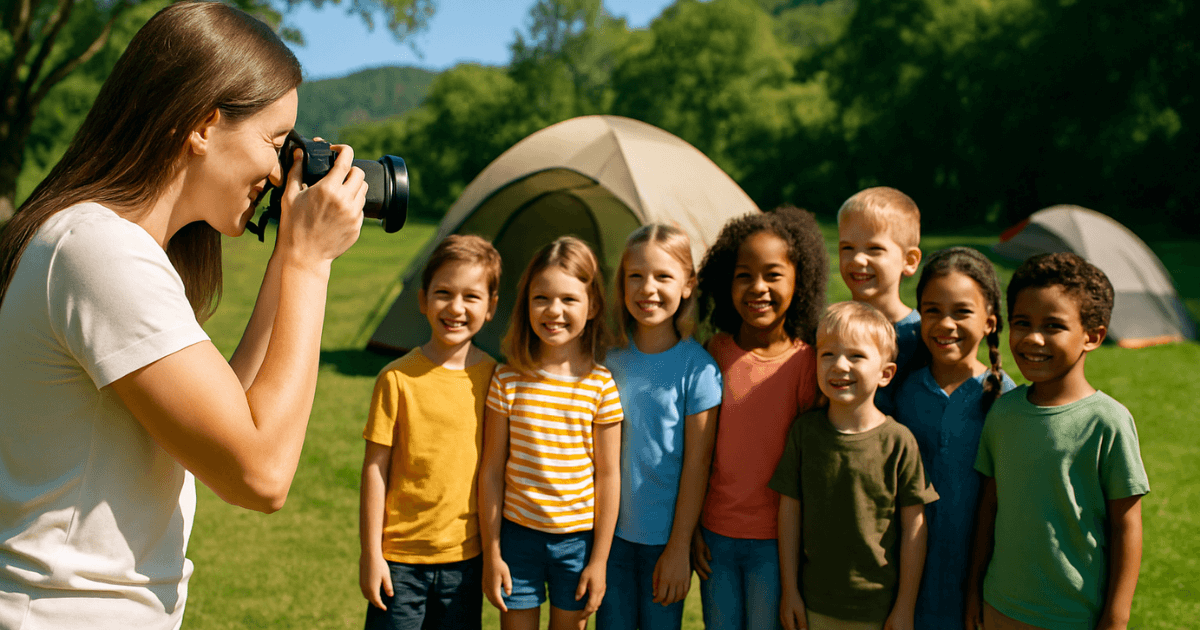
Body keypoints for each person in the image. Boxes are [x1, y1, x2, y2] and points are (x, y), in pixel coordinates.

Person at [0, 3, 367, 628]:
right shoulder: (98, 251)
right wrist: (310, 266)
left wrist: (289, 254)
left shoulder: (106, 245)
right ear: (202, 124)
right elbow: (261, 473)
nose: (281, 172)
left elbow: (234, 415)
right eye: (276, 144)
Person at [966, 253, 1150, 630]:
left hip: (1073, 618)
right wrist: (973, 591)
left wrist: (1116, 617)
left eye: (1053, 326)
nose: (1033, 338)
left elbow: (1127, 527)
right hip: (1000, 607)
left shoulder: (1108, 422)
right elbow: (989, 507)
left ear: (1093, 336)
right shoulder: (1002, 412)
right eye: (1022, 323)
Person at [692, 206, 828, 630]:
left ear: (799, 281)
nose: (758, 288)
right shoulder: (712, 354)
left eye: (773, 274)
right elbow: (696, 455)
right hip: (715, 539)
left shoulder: (808, 365)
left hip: (777, 545)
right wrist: (693, 528)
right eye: (743, 275)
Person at [478, 236, 623, 630]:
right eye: (541, 298)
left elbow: (608, 478)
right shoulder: (507, 379)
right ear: (526, 304)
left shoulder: (601, 386)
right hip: (516, 540)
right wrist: (493, 552)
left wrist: (599, 560)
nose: (553, 311)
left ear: (592, 306)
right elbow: (491, 470)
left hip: (577, 545)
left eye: (569, 300)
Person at [358, 235, 502, 630]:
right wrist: (371, 553)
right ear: (423, 301)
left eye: (471, 297)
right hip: (399, 562)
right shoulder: (396, 378)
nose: (456, 307)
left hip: (465, 563)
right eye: (443, 293)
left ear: (490, 307)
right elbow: (375, 471)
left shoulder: (494, 379)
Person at [771, 301, 939, 630]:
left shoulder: (899, 441)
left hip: (878, 608)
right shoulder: (805, 433)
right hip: (813, 604)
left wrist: (904, 606)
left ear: (886, 373)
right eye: (827, 354)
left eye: (856, 356)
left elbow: (914, 530)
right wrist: (790, 591)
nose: (839, 366)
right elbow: (789, 514)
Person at [596, 225, 723, 630]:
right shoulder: (606, 359)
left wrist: (678, 547)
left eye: (663, 276)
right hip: (607, 539)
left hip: (664, 543)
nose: (647, 288)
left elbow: (697, 465)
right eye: (636, 276)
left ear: (688, 285)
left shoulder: (698, 369)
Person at [893, 247, 1016, 628]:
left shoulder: (1006, 399)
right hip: (903, 579)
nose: (946, 324)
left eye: (962, 312)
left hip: (978, 584)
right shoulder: (901, 393)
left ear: (990, 323)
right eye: (932, 311)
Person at [836, 187, 923, 414]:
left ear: (910, 260)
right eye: (847, 247)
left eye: (874, 249)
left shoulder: (922, 335)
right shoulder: (831, 329)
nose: (857, 259)